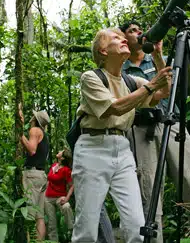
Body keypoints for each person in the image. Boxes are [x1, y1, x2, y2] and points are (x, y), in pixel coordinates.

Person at [119, 21, 190, 243]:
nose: (139, 33)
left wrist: (158, 55)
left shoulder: (157, 60)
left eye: (140, 29)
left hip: (173, 126)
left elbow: (172, 91)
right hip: (140, 132)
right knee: (148, 202)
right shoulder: (121, 70)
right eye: (132, 31)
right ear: (124, 39)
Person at [71, 27, 172, 243]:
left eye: (123, 37)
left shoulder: (130, 81)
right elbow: (113, 108)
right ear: (103, 51)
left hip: (123, 149)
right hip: (92, 147)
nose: (123, 39)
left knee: (137, 227)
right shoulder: (91, 77)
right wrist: (151, 86)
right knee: (87, 230)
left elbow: (164, 92)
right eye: (116, 38)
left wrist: (157, 56)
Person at [19, 106, 51, 240]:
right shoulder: (44, 135)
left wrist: (20, 135)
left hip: (32, 175)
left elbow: (32, 150)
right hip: (42, 176)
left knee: (30, 214)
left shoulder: (35, 130)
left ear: (35, 119)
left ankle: (29, 240)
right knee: (40, 216)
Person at [45, 148, 75, 241]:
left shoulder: (66, 170)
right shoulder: (54, 165)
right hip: (48, 198)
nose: (58, 152)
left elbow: (72, 185)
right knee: (51, 225)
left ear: (62, 158)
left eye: (60, 152)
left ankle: (72, 231)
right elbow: (48, 180)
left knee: (66, 207)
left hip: (59, 197)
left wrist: (67, 198)